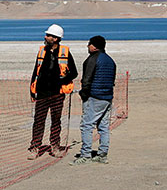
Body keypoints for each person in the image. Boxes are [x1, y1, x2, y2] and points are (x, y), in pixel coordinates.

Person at [28, 23, 77, 158]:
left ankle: (55, 146)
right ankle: (35, 147)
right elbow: (35, 72)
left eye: (48, 35)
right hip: (42, 94)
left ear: (55, 38)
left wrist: (63, 79)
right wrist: (32, 90)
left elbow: (74, 72)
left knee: (56, 121)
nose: (46, 37)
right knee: (38, 121)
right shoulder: (42, 51)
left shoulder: (65, 53)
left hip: (57, 94)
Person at [74, 34, 117, 163]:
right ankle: (103, 154)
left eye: (89, 44)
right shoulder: (110, 60)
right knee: (103, 126)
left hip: (94, 97)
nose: (88, 46)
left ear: (94, 47)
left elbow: (86, 79)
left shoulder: (93, 59)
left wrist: (84, 94)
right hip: (107, 97)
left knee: (87, 125)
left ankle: (85, 155)